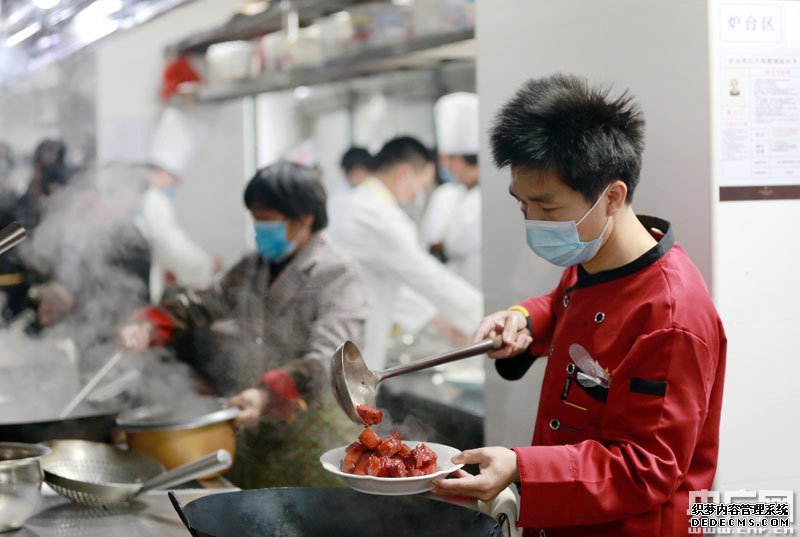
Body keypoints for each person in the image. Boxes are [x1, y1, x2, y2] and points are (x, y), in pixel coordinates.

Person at [432, 74, 727, 537]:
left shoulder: (670, 317)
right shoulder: (596, 254)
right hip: (569, 519)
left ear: (612, 197)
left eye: (547, 209)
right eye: (522, 204)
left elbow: (645, 467)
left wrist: (520, 468)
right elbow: (566, 302)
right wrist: (524, 318)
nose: (532, 221)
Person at [120, 161, 366, 488]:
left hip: (315, 431)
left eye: (268, 221)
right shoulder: (253, 266)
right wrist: (152, 325)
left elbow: (329, 361)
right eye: (255, 219)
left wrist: (270, 393)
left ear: (305, 219)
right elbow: (207, 301)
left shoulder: (337, 275)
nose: (259, 229)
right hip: (257, 424)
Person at [327, 136, 482, 370]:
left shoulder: (349, 203)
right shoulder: (378, 216)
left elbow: (385, 279)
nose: (415, 195)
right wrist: (485, 315)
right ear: (403, 173)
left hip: (339, 334)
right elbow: (427, 276)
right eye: (419, 186)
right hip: (353, 338)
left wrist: (436, 319)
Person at [136, 107, 217, 303]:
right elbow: (172, 244)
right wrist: (207, 265)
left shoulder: (140, 193)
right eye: (175, 179)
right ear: (166, 172)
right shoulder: (154, 200)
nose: (176, 186)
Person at [420, 92, 482, 288]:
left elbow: (459, 243)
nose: (447, 167)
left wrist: (443, 246)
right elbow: (427, 240)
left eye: (450, 160)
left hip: (478, 284)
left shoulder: (487, 198)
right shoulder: (445, 194)